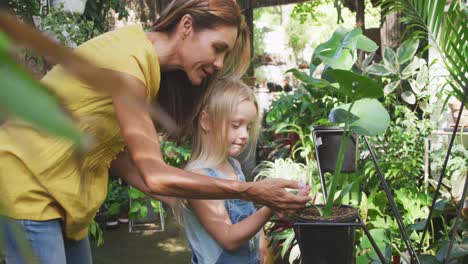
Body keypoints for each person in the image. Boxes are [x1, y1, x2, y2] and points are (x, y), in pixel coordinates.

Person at [0, 1, 310, 263]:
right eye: (218, 49)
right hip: (29, 177)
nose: (218, 63)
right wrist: (248, 191)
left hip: (64, 192)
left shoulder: (144, 64)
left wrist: (178, 198)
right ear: (186, 26)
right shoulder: (130, 64)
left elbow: (116, 155)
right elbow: (155, 173)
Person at [180, 78, 274, 264]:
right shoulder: (197, 177)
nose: (245, 135)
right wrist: (272, 206)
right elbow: (229, 239)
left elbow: (248, 211)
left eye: (248, 126)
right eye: (236, 125)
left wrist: (261, 240)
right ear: (206, 121)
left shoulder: (234, 166)